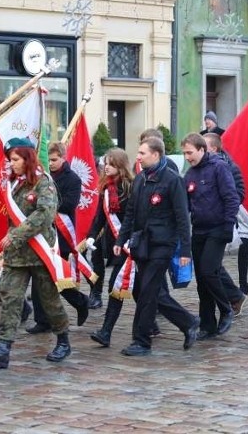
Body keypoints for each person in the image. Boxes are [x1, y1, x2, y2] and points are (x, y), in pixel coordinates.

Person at [0, 138, 71, 368]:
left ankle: (63, 340)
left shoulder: (43, 182)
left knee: (49, 300)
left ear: (27, 158)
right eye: (10, 160)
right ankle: (3, 348)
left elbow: (45, 215)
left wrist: (16, 234)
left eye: (16, 160)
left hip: (39, 251)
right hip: (18, 255)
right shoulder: (13, 183)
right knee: (11, 299)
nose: (12, 164)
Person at [115, 137, 199, 356]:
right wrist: (120, 239)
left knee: (148, 291)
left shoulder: (173, 180)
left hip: (163, 244)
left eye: (142, 153)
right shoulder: (140, 179)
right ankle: (188, 322)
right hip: (142, 244)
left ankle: (142, 341)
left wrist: (185, 251)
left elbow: (182, 218)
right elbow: (131, 213)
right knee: (145, 290)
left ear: (156, 154)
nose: (138, 157)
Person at [27, 142, 90, 333]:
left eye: (55, 160)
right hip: (41, 234)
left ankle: (80, 301)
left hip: (61, 235)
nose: (51, 163)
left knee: (57, 279)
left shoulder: (73, 179)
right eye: (50, 160)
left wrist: (47, 201)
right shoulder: (41, 177)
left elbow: (69, 205)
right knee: (39, 279)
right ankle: (42, 320)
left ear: (63, 157)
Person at [182, 134, 239, 340]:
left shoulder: (218, 168)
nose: (187, 157)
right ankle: (208, 324)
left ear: (202, 149)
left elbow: (231, 197)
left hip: (218, 228)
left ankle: (226, 309)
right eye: (185, 153)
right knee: (202, 280)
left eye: (190, 152)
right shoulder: (189, 174)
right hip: (199, 230)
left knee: (208, 271)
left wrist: (228, 226)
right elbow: (186, 205)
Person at [88, 148, 135, 347]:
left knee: (117, 286)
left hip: (130, 245)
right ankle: (106, 332)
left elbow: (134, 218)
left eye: (111, 163)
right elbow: (99, 217)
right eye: (105, 163)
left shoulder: (131, 188)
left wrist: (128, 240)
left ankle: (106, 332)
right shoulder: (106, 188)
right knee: (140, 291)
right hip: (117, 245)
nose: (106, 166)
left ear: (120, 165)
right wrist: (91, 236)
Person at [202, 133, 248, 315]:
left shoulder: (230, 167)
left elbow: (238, 194)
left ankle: (232, 297)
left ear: (213, 148)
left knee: (211, 265)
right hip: (203, 224)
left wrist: (220, 208)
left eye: (203, 146)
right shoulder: (199, 167)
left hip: (221, 222)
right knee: (210, 265)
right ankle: (232, 296)